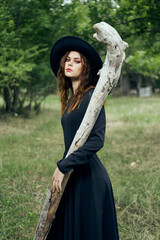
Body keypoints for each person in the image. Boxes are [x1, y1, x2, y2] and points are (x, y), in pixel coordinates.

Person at [47, 36, 119, 240]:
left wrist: (63, 165)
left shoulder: (91, 96)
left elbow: (97, 140)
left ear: (85, 67)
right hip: (74, 175)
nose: (70, 63)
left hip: (90, 179)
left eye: (77, 61)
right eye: (68, 59)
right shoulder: (73, 98)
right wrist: (66, 166)